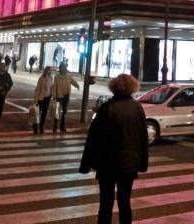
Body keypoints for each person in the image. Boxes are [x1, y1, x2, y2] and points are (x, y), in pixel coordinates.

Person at [80, 74, 148, 224]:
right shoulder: (137, 108)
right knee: (125, 203)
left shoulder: (107, 108)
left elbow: (93, 139)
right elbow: (143, 137)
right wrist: (142, 163)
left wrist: (86, 164)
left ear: (114, 88)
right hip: (129, 164)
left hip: (107, 164)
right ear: (133, 88)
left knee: (106, 204)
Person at [52, 63, 80, 132]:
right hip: (59, 96)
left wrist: (77, 85)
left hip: (66, 96)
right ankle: (55, 126)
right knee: (57, 112)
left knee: (64, 112)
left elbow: (73, 82)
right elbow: (54, 86)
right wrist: (54, 95)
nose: (62, 69)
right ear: (60, 69)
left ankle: (62, 126)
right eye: (61, 67)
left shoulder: (68, 76)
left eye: (63, 67)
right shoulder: (57, 77)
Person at [33, 66, 54, 134]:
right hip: (41, 98)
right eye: (49, 70)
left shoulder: (51, 78)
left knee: (44, 113)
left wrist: (52, 95)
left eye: (51, 70)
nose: (50, 72)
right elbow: (37, 89)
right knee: (37, 113)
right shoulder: (41, 78)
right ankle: (35, 127)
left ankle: (41, 127)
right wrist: (36, 99)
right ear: (45, 71)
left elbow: (51, 87)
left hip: (48, 97)